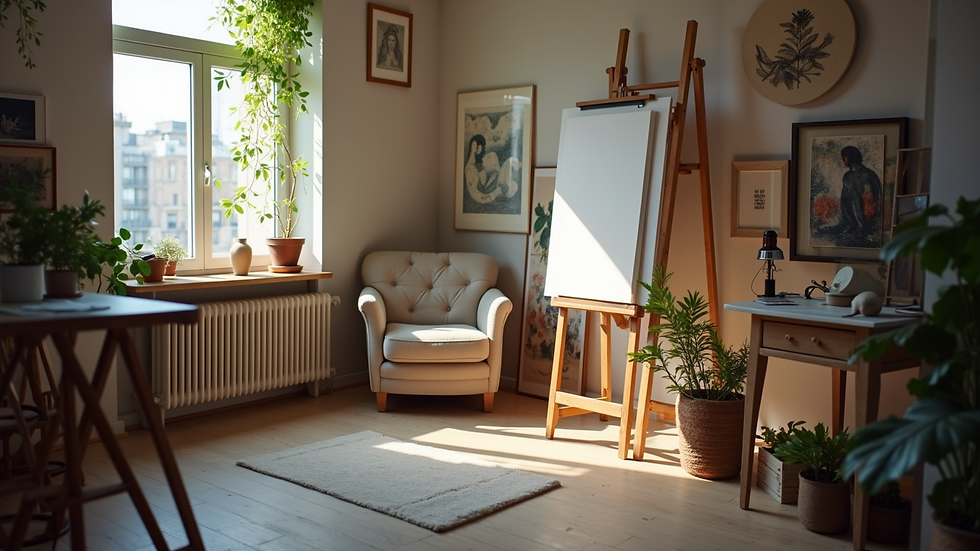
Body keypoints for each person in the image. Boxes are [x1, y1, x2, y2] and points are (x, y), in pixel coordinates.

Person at [837, 145, 882, 247]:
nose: (842, 161)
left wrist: (861, 225)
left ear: (849, 158)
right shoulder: (867, 173)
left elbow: (874, 197)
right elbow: (845, 201)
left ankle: (860, 227)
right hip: (856, 220)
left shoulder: (858, 176)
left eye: (844, 158)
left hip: (868, 217)